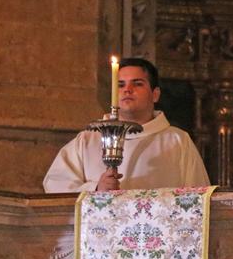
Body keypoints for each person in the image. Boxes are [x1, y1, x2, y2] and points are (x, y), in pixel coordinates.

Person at [43, 58, 210, 192]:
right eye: (120, 85)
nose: (127, 90)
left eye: (137, 84)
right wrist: (95, 188)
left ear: (155, 94)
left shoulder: (177, 141)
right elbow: (54, 184)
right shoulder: (88, 139)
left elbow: (199, 195)